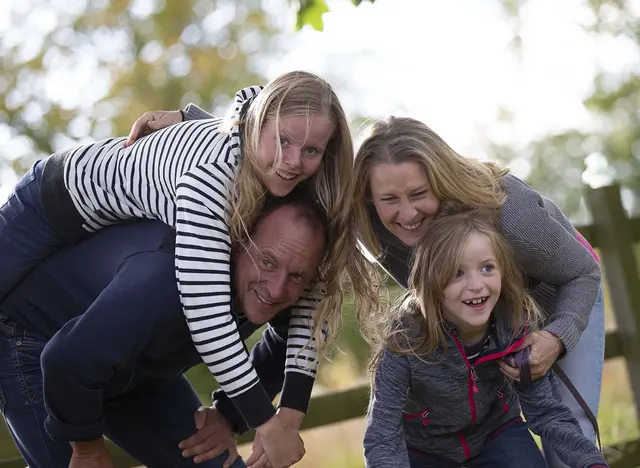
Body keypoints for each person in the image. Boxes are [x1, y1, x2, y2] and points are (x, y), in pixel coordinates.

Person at [0, 70, 376, 467]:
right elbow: (207, 314)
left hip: (131, 366)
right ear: (257, 125)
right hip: (51, 201)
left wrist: (273, 415)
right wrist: (265, 423)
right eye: (282, 141)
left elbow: (309, 306)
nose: (293, 161)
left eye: (311, 151)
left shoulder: (287, 190)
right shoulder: (211, 183)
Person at [0, 191, 326, 468]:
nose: (277, 288)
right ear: (239, 242)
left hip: (137, 368)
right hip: (35, 342)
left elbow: (288, 337)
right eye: (267, 263)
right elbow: (65, 361)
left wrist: (228, 413)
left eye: (297, 276)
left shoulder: (282, 287)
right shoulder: (166, 283)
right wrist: (86, 447)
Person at [352, 117, 604, 468]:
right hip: (496, 311)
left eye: (419, 194)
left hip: (566, 286)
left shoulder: (509, 214)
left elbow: (582, 271)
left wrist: (556, 337)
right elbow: (431, 300)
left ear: (441, 179)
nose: (406, 213)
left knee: (566, 422)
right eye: (389, 199)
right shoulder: (375, 226)